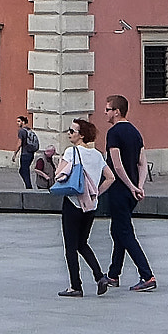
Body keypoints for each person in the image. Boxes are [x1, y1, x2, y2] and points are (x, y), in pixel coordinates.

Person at [100, 95, 156, 292]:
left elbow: (116, 165)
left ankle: (147, 275)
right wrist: (139, 186)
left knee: (124, 233)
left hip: (119, 190)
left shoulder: (114, 133)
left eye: (108, 109)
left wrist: (131, 186)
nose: (105, 113)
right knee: (118, 231)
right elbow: (142, 162)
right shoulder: (135, 132)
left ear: (117, 111)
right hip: (131, 192)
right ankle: (114, 274)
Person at [54, 119, 114, 296]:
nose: (69, 133)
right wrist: (95, 192)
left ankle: (75, 286)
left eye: (72, 131)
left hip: (73, 202)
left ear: (81, 135)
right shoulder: (97, 155)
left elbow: (58, 175)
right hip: (90, 206)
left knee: (71, 247)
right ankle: (99, 276)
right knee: (83, 243)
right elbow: (110, 178)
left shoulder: (71, 152)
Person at [16, 114, 40, 189]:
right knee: (23, 170)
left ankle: (29, 187)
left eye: (19, 121)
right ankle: (28, 185)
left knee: (24, 170)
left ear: (23, 122)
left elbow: (19, 143)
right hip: (31, 153)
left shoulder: (22, 131)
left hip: (25, 154)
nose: (17, 123)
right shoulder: (30, 130)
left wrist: (15, 154)